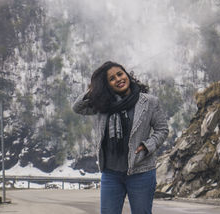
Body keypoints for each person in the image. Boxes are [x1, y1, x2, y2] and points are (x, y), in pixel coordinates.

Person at [72, 61, 169, 214]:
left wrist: (147, 146)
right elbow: (77, 107)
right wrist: (93, 90)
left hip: (141, 171)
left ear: (127, 75)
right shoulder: (103, 105)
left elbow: (162, 130)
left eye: (120, 74)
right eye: (111, 79)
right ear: (108, 85)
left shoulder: (149, 102)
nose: (118, 79)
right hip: (111, 174)